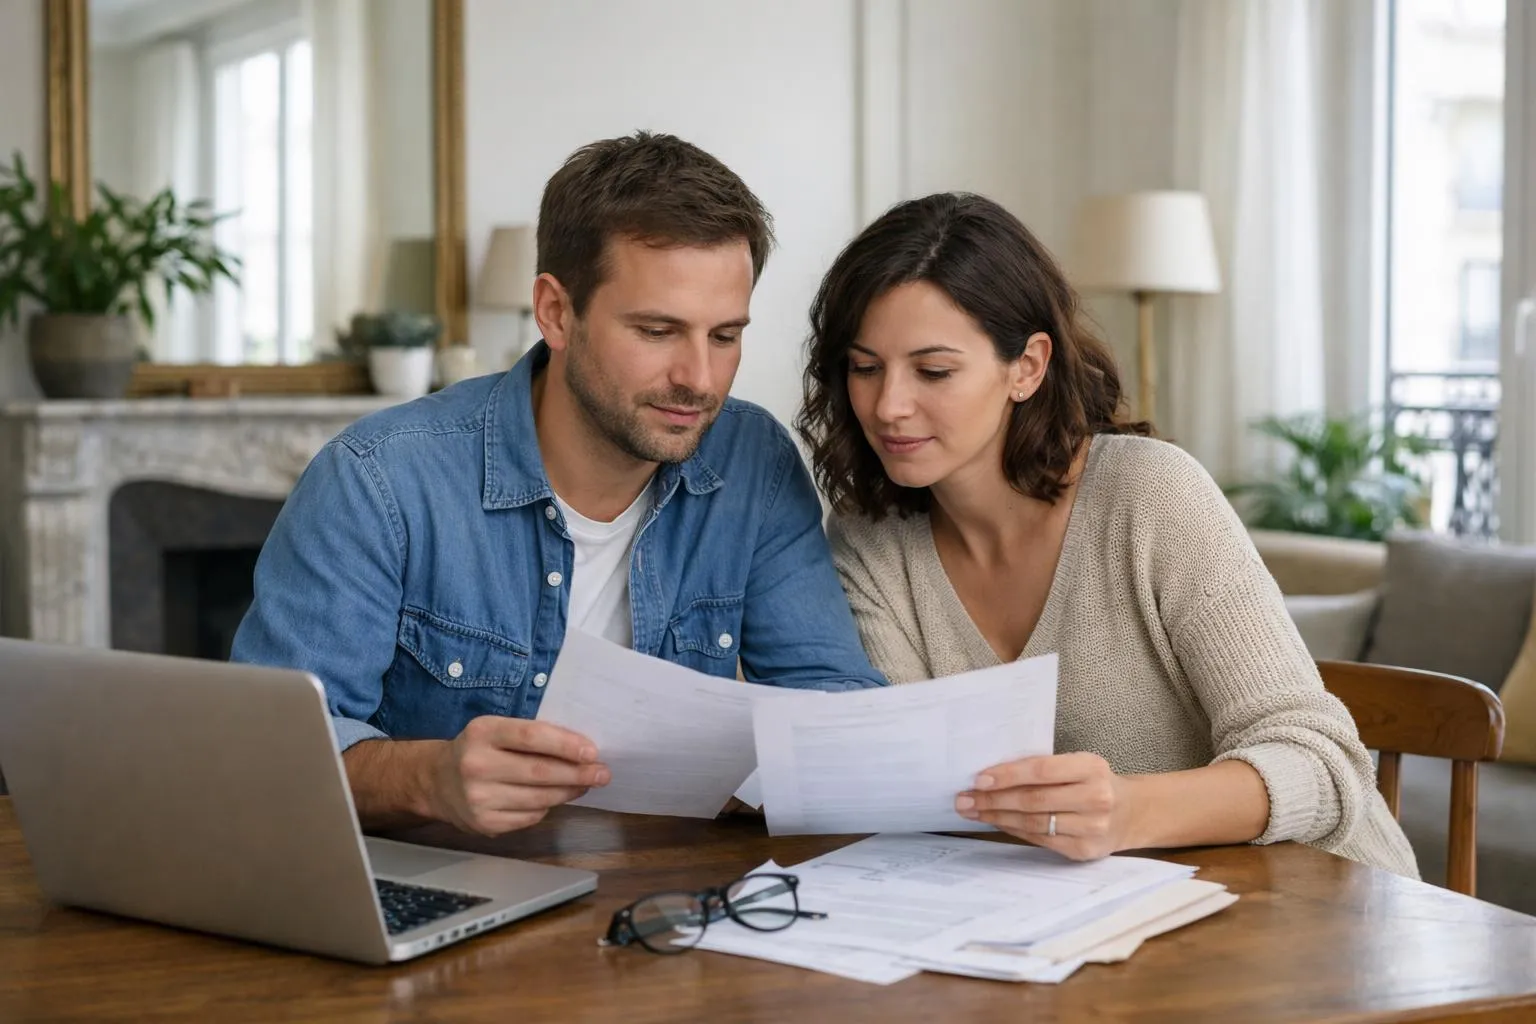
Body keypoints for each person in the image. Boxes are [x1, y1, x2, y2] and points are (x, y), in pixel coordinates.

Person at [232, 132, 885, 838]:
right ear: (555, 312)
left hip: (662, 893)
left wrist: (764, 771)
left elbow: (836, 703)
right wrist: (430, 778)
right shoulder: (378, 480)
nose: (699, 379)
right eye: (658, 330)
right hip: (442, 894)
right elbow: (269, 756)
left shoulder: (752, 462)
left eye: (724, 336)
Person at [796, 192, 1417, 876]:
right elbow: (928, 789)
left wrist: (1129, 810)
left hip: (1324, 911)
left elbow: (1325, 769)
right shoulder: (870, 537)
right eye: (865, 367)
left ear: (1027, 367)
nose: (889, 406)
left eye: (934, 371)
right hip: (1093, 924)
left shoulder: (1151, 496)